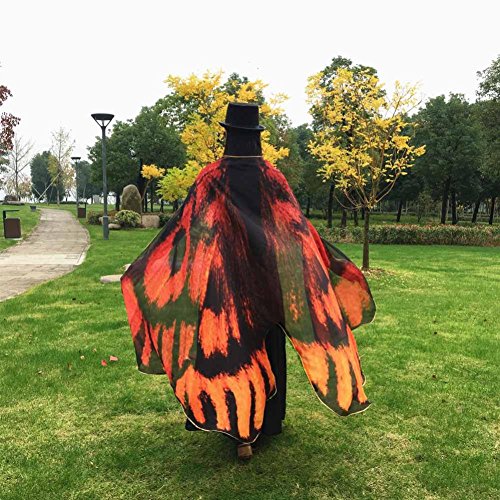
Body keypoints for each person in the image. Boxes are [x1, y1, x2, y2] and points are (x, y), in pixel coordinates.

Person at [121, 102, 375, 460]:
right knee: (266, 343)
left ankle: (239, 434)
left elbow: (187, 230)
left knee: (228, 352)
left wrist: (149, 268)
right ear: (256, 138)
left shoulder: (210, 178)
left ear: (228, 136)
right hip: (267, 285)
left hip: (222, 287)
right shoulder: (273, 178)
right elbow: (295, 231)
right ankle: (268, 424)